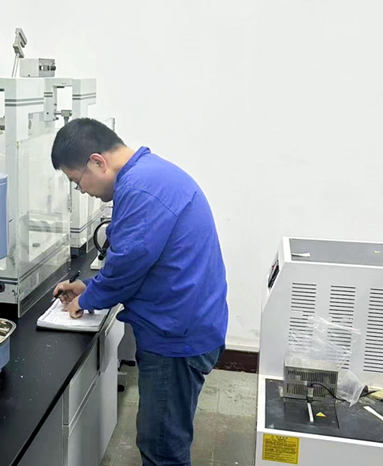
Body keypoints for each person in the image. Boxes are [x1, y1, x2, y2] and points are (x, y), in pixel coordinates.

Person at [51, 118, 228, 466]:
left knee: (162, 446)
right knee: (165, 435)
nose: (81, 191)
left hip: (176, 337)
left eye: (77, 181)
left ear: (97, 162)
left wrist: (85, 300)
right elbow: (137, 258)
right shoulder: (149, 173)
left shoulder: (141, 189)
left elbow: (127, 267)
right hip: (188, 321)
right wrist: (90, 286)